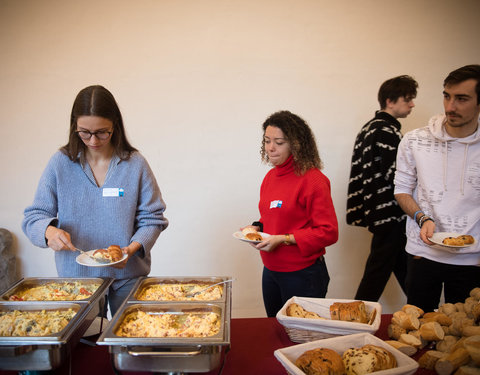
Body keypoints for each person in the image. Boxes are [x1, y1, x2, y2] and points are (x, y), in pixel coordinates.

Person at [22, 85, 168, 317]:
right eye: (84, 132)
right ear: (74, 127)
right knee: (84, 346)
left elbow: (153, 219)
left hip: (127, 276)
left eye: (102, 132)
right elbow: (34, 217)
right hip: (77, 279)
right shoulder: (60, 163)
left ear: (115, 126)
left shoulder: (135, 164)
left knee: (131, 342)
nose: (92, 140)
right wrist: (48, 232)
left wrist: (130, 250)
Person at [394, 64, 480, 312]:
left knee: (462, 337)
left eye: (461, 99)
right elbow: (401, 189)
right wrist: (421, 218)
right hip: (423, 252)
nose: (450, 106)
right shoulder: (414, 140)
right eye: (447, 96)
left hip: (472, 259)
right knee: (417, 327)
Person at [243, 110, 338, 317]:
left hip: (303, 275)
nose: (271, 148)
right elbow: (272, 216)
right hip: (270, 271)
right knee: (274, 332)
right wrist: (256, 228)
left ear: (296, 144)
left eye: (279, 142)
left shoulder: (313, 180)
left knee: (301, 339)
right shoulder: (270, 177)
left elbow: (329, 232)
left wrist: (284, 239)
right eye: (267, 141)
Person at [346, 75, 418, 302]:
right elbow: (396, 174)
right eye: (407, 99)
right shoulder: (386, 130)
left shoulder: (369, 128)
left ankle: (424, 310)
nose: (412, 104)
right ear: (390, 100)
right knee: (377, 272)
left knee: (403, 269)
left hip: (380, 212)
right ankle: (357, 320)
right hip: (390, 213)